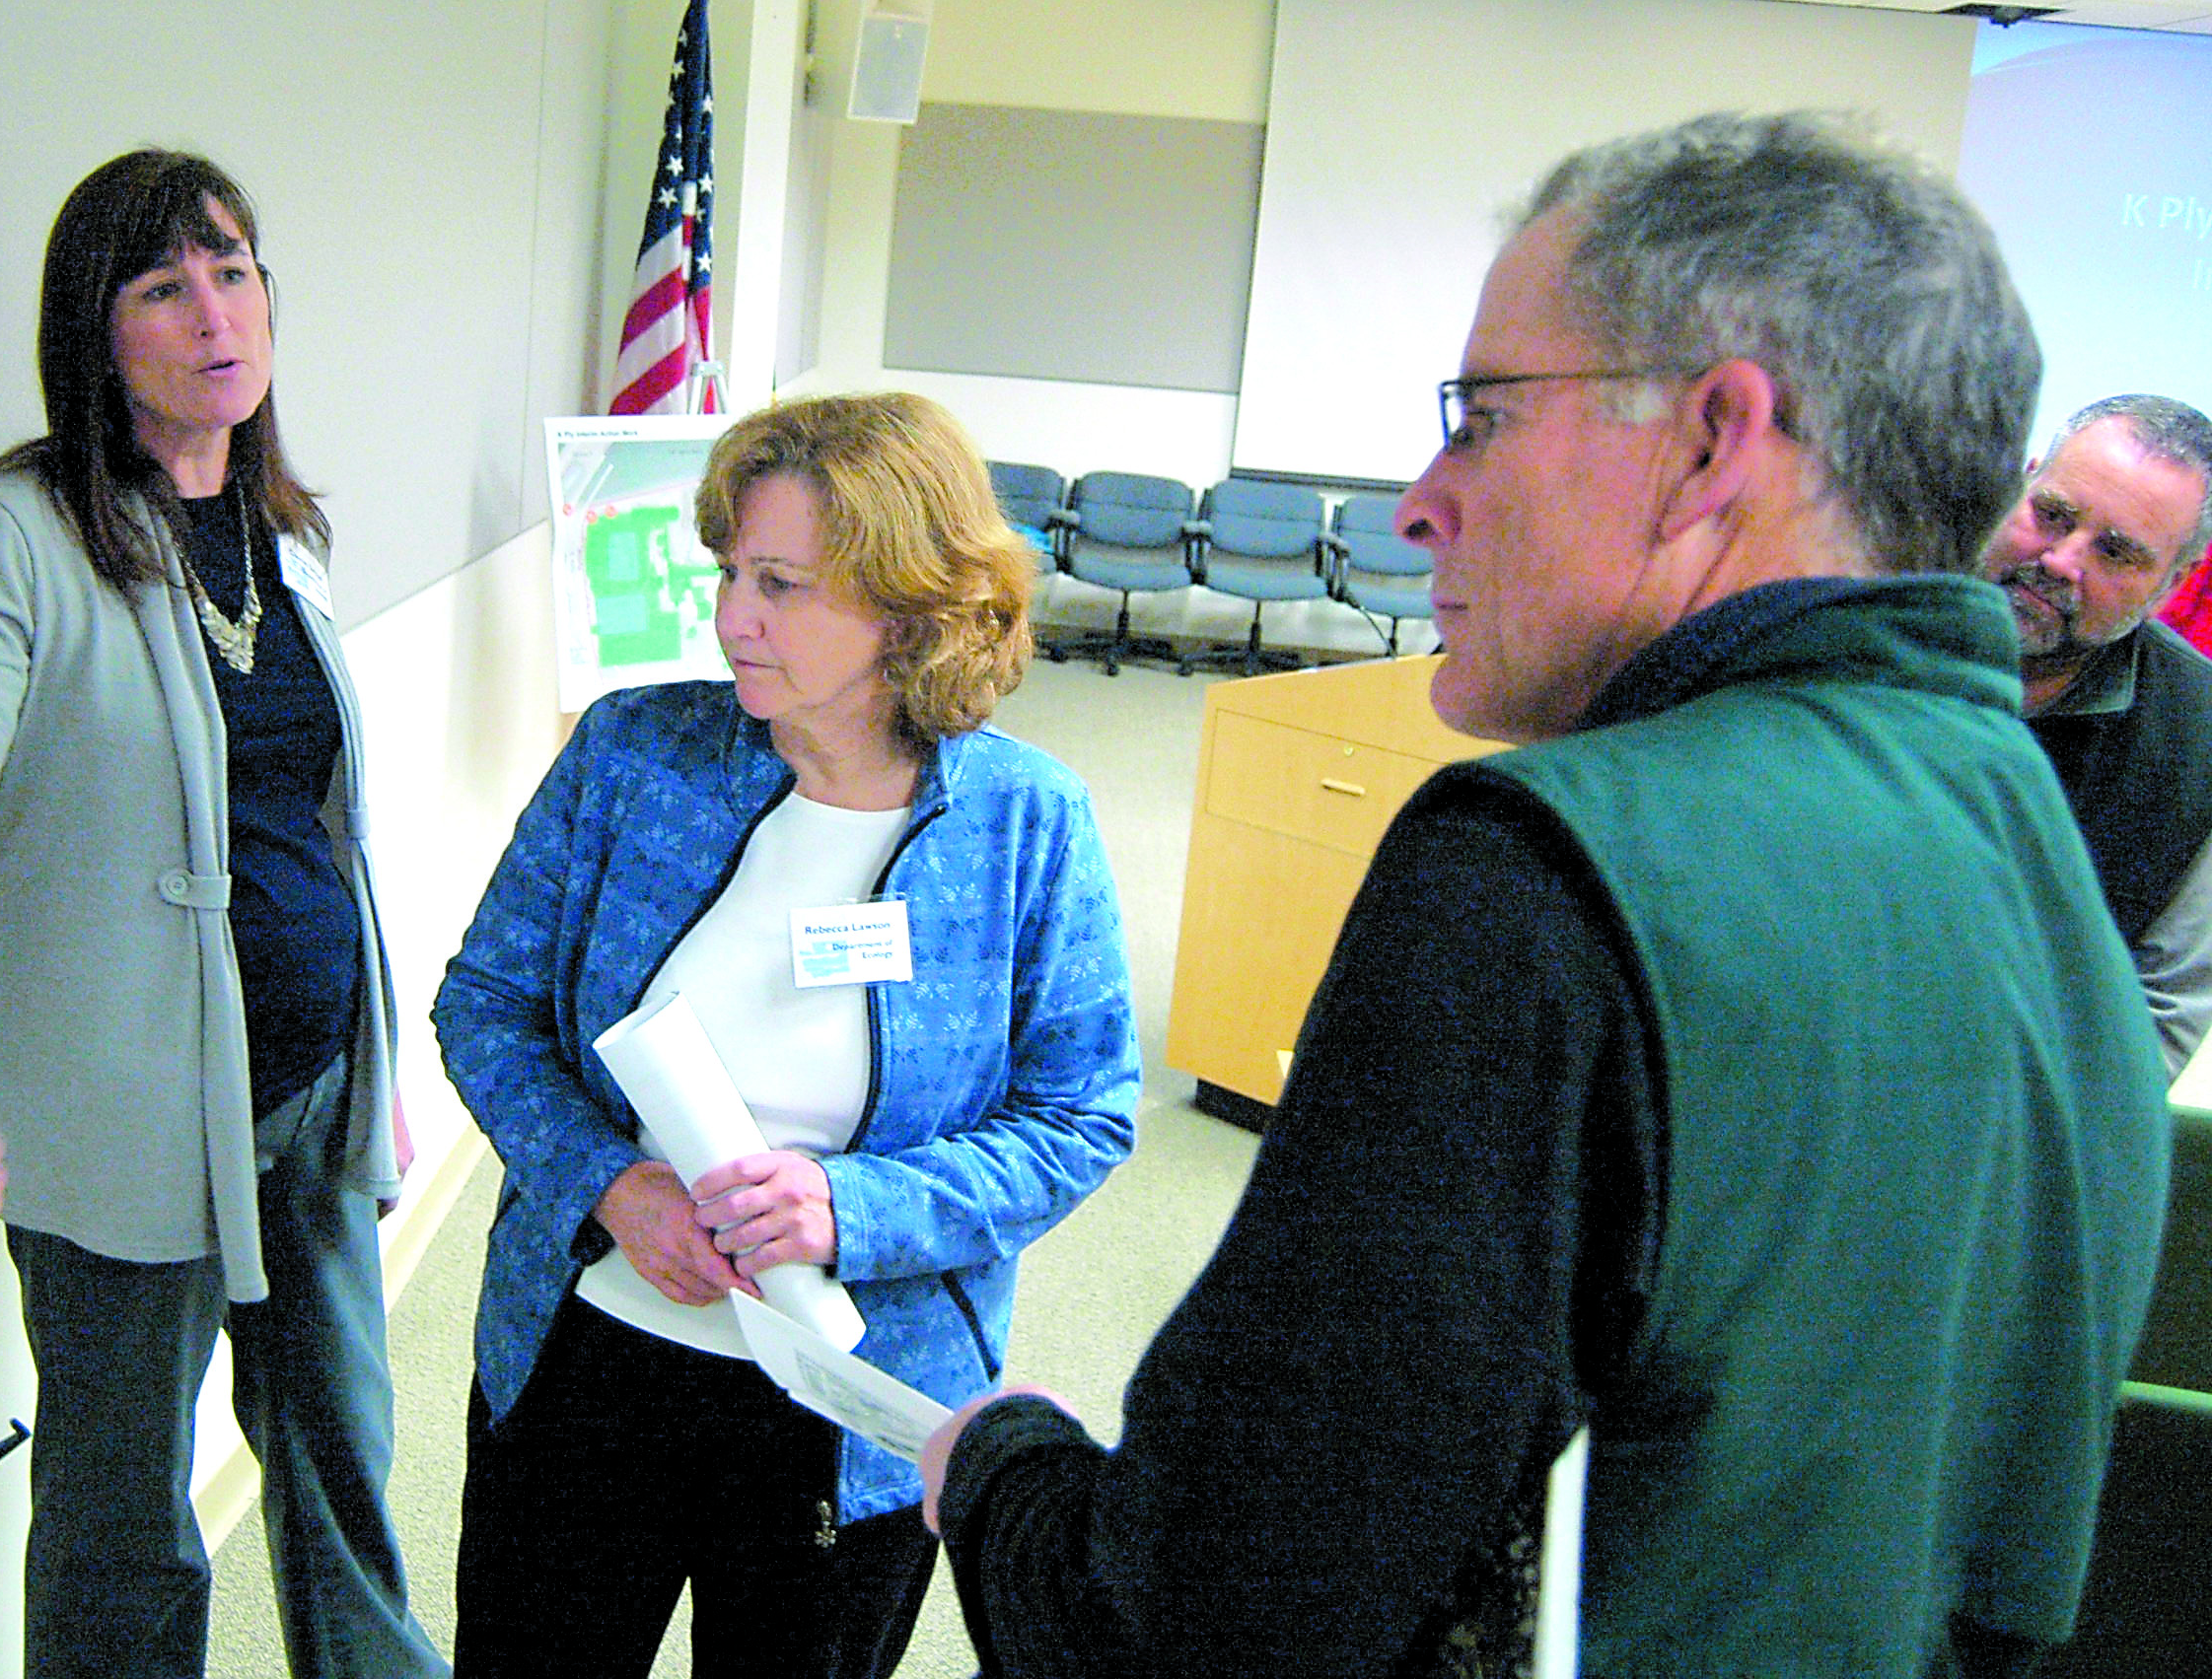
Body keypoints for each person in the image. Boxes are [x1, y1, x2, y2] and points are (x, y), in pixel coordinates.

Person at [920, 112, 2171, 1676]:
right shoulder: (2050, 880)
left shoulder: (1543, 879)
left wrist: (998, 1466)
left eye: (1480, 418)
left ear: (1718, 441)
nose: (1420, 502)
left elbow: (1189, 1622)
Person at [0, 149, 447, 1679]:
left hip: (310, 1100)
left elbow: (320, 831)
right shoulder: (20, 536)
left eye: (235, 271)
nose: (214, 313)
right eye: (164, 285)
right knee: (121, 1527)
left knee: (340, 1470)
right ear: (93, 334)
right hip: (123, 1128)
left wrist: (373, 1074)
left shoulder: (277, 530)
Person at [435, 391, 1140, 1678]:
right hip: (590, 1351)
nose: (729, 618)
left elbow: (1085, 1116)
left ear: (908, 602)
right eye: (728, 572)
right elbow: (483, 1005)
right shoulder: (633, 755)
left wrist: (848, 1208)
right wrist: (613, 1184)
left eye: (783, 585)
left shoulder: (1025, 823)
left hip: (847, 1412)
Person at [1981, 393, 2212, 1082]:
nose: (2061, 560)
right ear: (2021, 480)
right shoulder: (1856, 614)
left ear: (2172, 584)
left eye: (2116, 552)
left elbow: (2155, 1024)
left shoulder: (2200, 748)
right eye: (2051, 515)